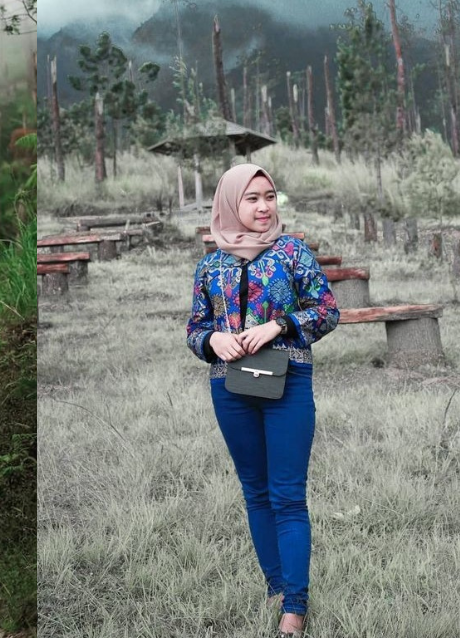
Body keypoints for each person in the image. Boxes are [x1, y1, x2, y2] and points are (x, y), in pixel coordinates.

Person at [185, 164, 339, 637]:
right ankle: (276, 586)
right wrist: (213, 341)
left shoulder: (292, 252)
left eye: (269, 196)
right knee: (254, 490)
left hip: (287, 381)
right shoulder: (211, 265)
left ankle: (294, 608)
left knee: (287, 496)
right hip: (230, 387)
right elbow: (194, 327)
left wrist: (280, 324)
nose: (263, 206)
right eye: (251, 198)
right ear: (231, 203)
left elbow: (328, 310)